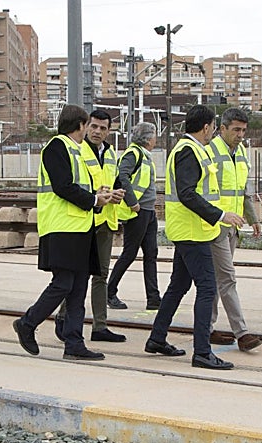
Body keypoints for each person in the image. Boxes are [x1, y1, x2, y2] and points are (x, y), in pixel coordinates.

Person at [145, 104, 245, 370]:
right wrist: (220, 215)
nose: (212, 131)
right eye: (212, 126)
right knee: (207, 288)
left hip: (193, 230)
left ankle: (157, 338)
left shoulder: (193, 150)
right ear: (207, 127)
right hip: (193, 232)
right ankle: (202, 352)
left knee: (178, 286)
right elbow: (188, 194)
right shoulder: (188, 151)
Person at [12, 104, 114, 362]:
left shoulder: (76, 150)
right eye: (87, 125)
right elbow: (63, 186)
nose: (89, 130)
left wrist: (99, 196)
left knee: (78, 288)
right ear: (80, 125)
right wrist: (94, 200)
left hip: (79, 227)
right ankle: (28, 323)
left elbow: (78, 186)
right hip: (61, 227)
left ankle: (74, 342)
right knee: (63, 284)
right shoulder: (57, 147)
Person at [67, 108, 128, 344]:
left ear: (109, 131)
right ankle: (64, 321)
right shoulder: (77, 150)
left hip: (104, 220)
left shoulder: (110, 153)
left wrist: (118, 193)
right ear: (85, 126)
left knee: (101, 274)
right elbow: (73, 185)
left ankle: (100, 326)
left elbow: (113, 180)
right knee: (74, 273)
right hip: (83, 219)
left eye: (103, 128)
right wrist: (96, 196)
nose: (97, 131)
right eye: (93, 126)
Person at [207, 107, 262, 351]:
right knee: (227, 278)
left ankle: (206, 327)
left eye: (243, 130)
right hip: (215, 225)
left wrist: (252, 218)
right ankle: (242, 333)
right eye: (236, 130)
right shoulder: (209, 152)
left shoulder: (240, 153)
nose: (240, 135)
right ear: (222, 129)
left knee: (216, 280)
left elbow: (242, 190)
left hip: (233, 227)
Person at [107, 122, 160, 310]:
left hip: (148, 211)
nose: (156, 139)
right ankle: (109, 292)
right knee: (130, 253)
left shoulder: (144, 156)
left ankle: (153, 298)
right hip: (138, 211)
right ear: (147, 138)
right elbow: (123, 176)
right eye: (154, 135)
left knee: (151, 253)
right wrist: (132, 202)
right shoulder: (133, 154)